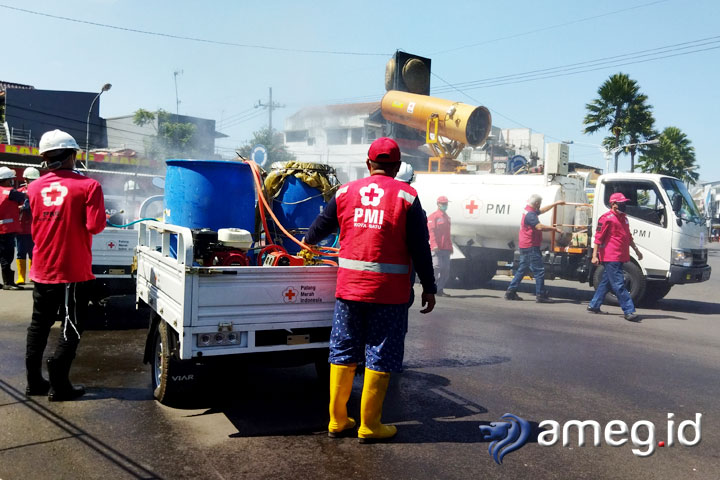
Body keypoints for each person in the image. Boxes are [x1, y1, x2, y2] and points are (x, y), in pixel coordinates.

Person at [306, 137, 436, 443]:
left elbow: (317, 230)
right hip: (389, 295)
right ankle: (370, 425)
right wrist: (429, 287)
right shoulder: (407, 196)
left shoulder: (345, 192)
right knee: (380, 354)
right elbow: (420, 248)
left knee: (343, 350)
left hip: (349, 292)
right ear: (396, 167)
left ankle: (338, 420)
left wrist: (309, 243)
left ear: (368, 164)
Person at [25, 130, 106, 401]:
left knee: (39, 325)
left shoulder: (33, 187)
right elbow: (95, 226)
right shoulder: (89, 186)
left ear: (45, 158)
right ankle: (59, 384)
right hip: (72, 270)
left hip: (42, 267)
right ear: (73, 155)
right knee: (71, 324)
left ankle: (34, 382)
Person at [587, 192, 643, 322]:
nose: (624, 205)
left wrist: (637, 250)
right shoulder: (606, 218)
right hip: (611, 256)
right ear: (613, 204)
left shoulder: (624, 218)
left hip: (621, 255)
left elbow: (628, 237)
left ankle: (594, 305)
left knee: (606, 282)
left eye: (624, 203)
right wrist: (594, 256)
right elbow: (598, 238)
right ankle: (628, 310)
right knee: (619, 284)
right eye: (621, 203)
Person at [505, 194, 564, 302]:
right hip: (530, 246)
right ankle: (540, 295)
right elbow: (539, 227)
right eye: (539, 204)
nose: (540, 206)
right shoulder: (531, 215)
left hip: (525, 245)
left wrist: (555, 204)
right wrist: (554, 229)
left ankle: (510, 292)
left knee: (522, 269)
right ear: (536, 203)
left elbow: (542, 210)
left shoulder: (528, 210)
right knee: (539, 271)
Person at [0, 166, 26, 290]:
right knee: (7, 256)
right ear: (5, 180)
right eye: (10, 180)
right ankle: (8, 283)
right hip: (6, 230)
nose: (11, 182)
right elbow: (24, 197)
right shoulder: (10, 192)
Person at [15, 167, 40, 285]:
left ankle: (32, 275)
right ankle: (21, 276)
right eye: (31, 180)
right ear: (25, 179)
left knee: (33, 253)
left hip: (35, 228)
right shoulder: (18, 192)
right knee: (20, 252)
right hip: (21, 228)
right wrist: (19, 208)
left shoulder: (40, 192)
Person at [427, 196, 452, 296]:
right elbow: (431, 232)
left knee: (445, 270)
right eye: (443, 203)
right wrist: (433, 244)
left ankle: (439, 289)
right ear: (438, 204)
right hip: (436, 248)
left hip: (445, 248)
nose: (445, 205)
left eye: (446, 204)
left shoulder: (446, 217)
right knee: (436, 267)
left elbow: (447, 234)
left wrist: (450, 247)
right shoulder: (433, 217)